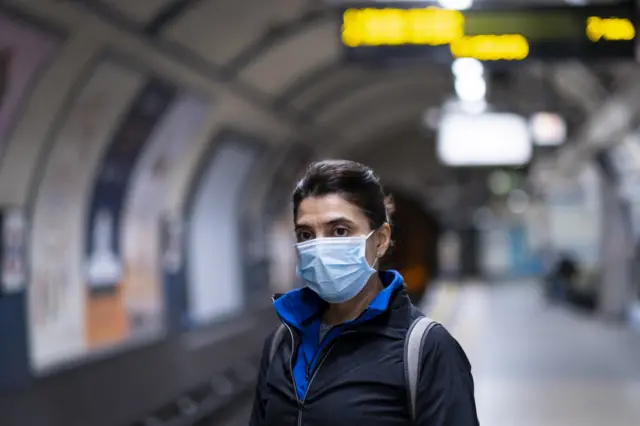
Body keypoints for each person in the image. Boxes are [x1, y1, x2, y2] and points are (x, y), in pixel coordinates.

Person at [250, 160, 479, 426]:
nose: (320, 247)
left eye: (339, 231)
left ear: (380, 240)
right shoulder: (283, 343)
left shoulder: (425, 349)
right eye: (305, 234)